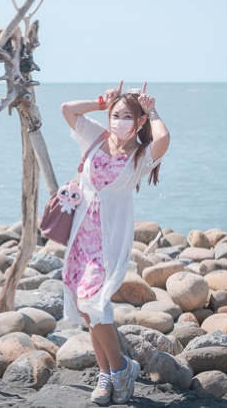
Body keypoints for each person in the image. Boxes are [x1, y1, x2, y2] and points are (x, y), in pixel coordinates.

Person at [60, 81, 170, 405]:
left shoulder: (140, 155)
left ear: (138, 122)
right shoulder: (95, 138)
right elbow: (67, 109)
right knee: (88, 309)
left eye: (127, 117)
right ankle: (107, 373)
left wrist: (153, 111)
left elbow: (163, 138)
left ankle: (121, 368)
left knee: (92, 302)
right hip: (81, 234)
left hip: (109, 238)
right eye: (116, 115)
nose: (119, 121)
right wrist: (99, 103)